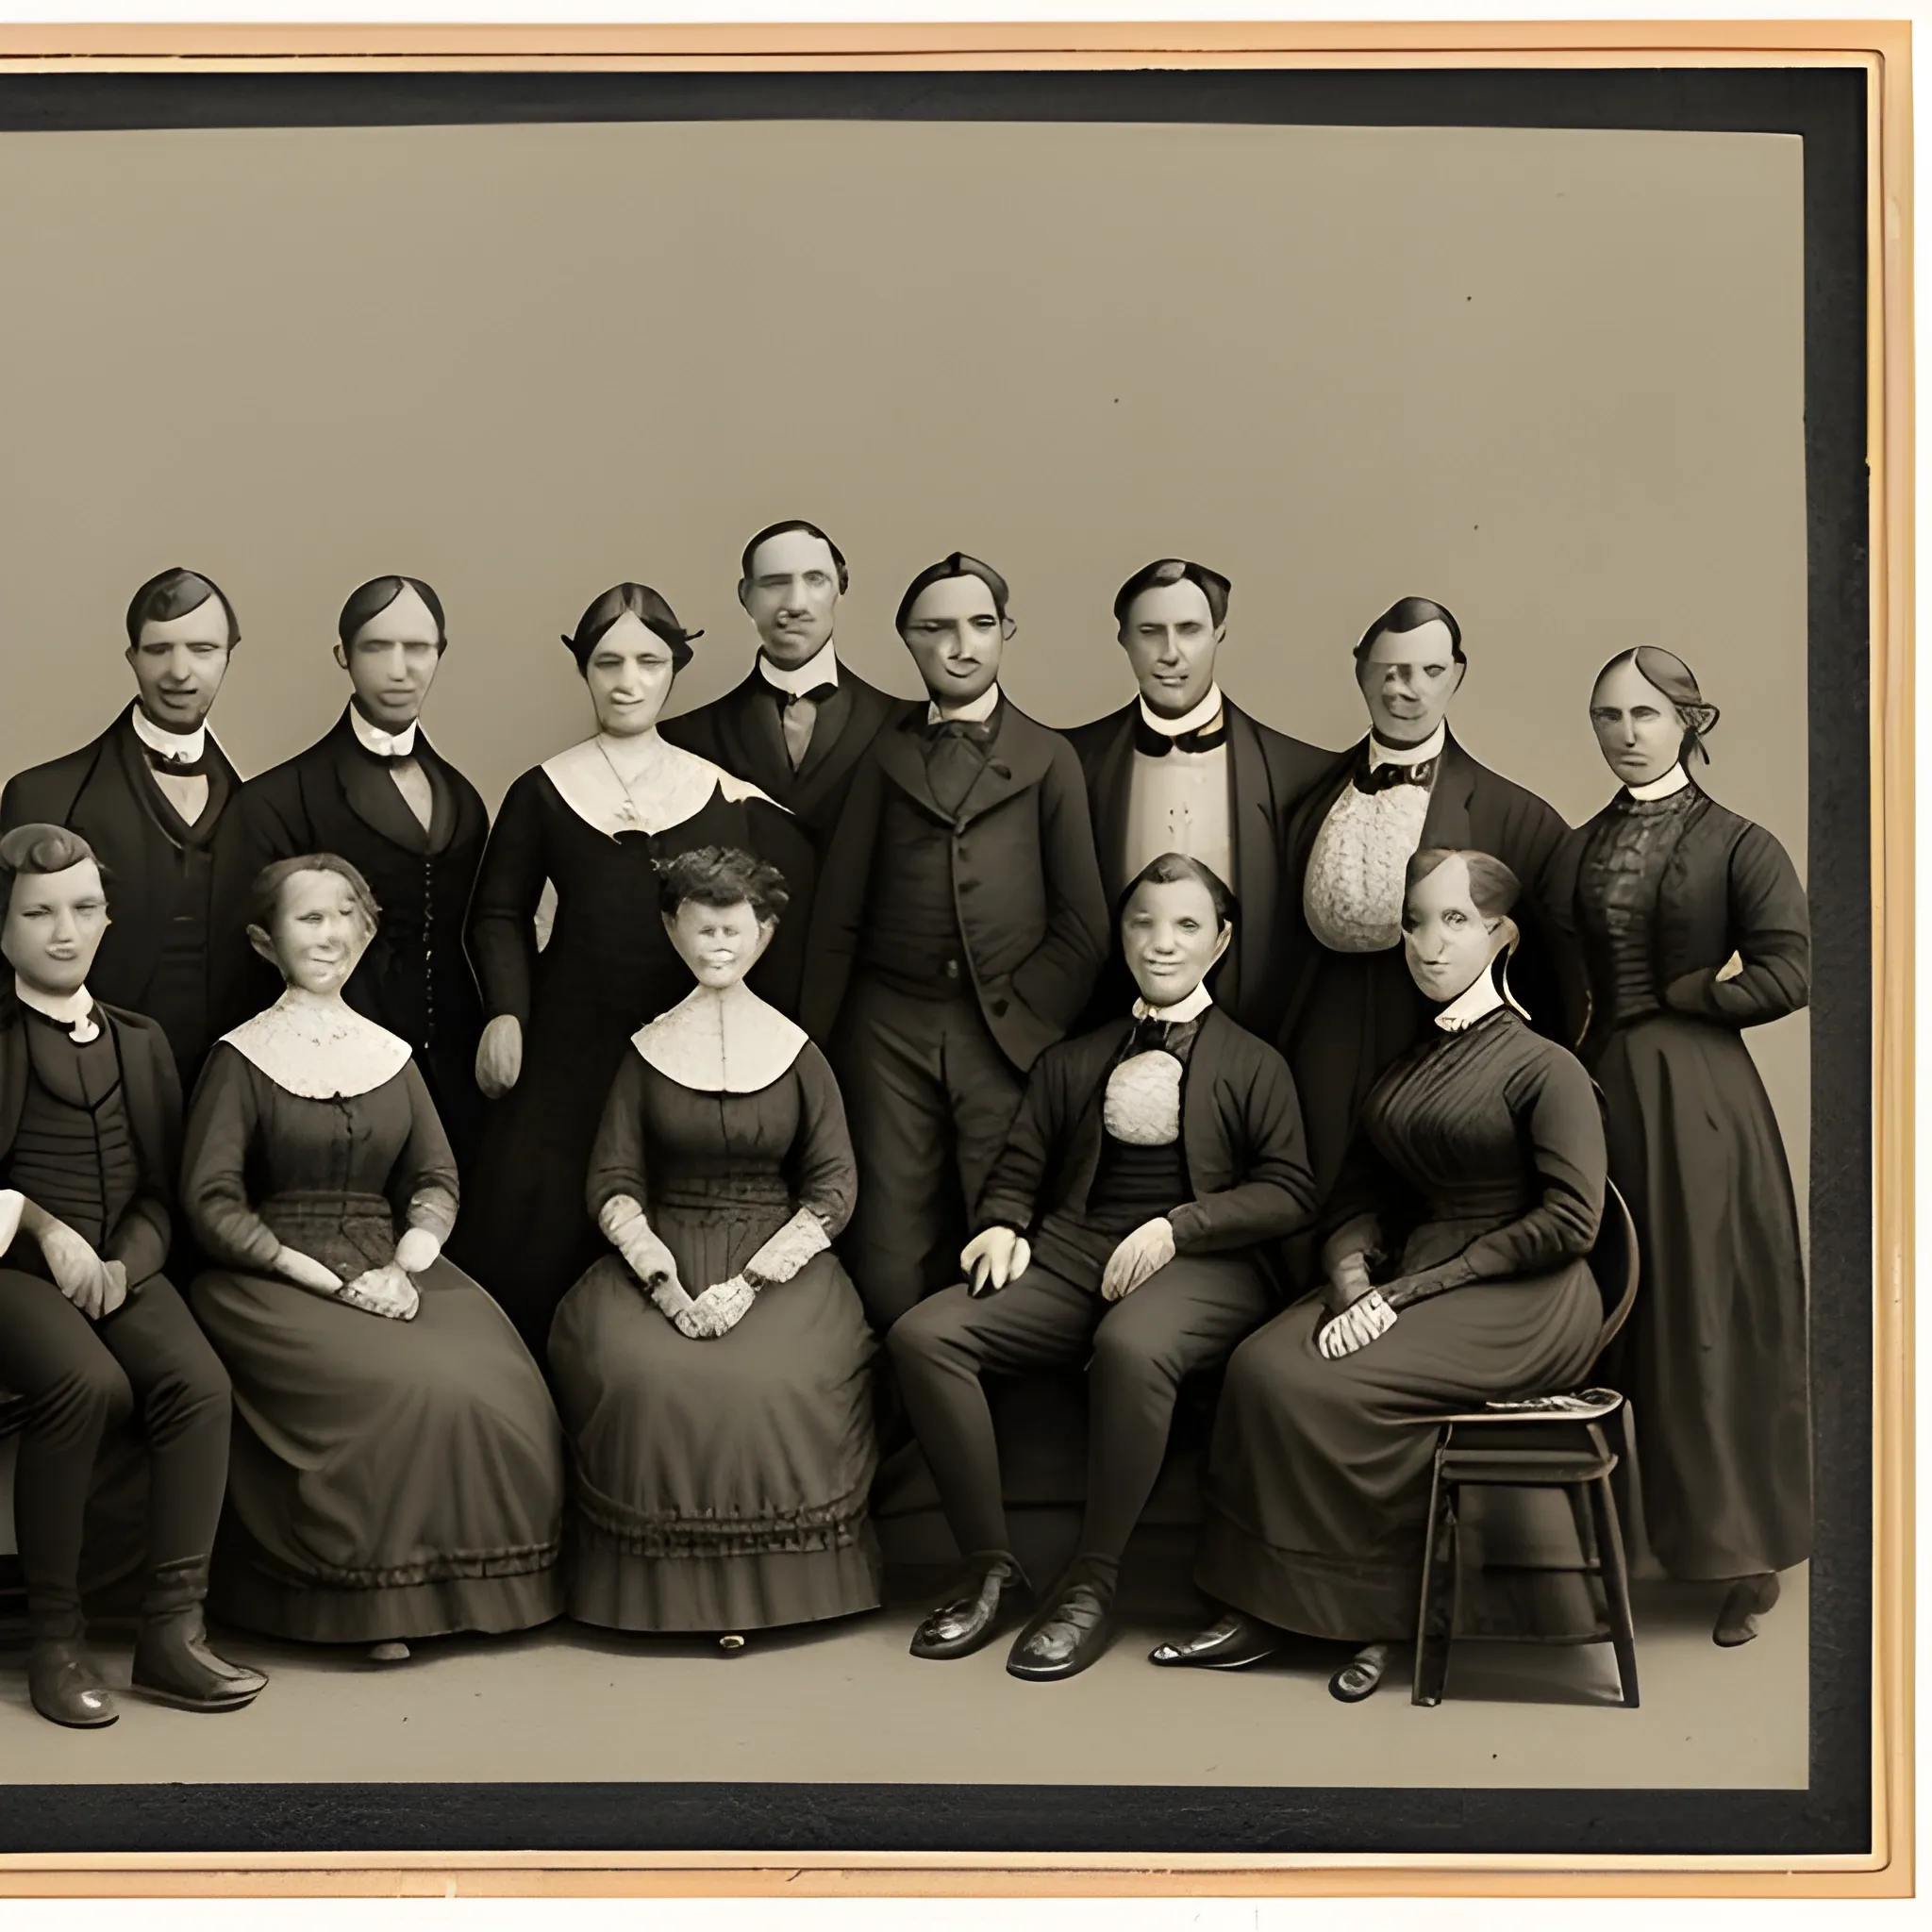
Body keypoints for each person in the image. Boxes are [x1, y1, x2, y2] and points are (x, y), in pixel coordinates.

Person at [1159, 848, 1606, 1702]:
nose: (1428, 944)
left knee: (1325, 1386)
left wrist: (1403, 1295)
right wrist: (1352, 1279)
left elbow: (1570, 1222)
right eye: (1413, 923)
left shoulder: (1544, 1066)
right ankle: (1269, 1607)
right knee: (1258, 1366)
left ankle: (1385, 1616)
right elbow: (1358, 1197)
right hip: (1419, 1273)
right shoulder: (1410, 1059)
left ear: (1501, 935)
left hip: (1527, 1295)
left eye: (1454, 922)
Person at [888, 853, 1315, 1680]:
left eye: (1186, 926)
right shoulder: (1073, 1059)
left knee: (1132, 1347)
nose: (1161, 944)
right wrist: (1006, 1224)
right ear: (1120, 935)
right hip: (1074, 1249)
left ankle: (1092, 1581)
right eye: (1143, 924)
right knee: (925, 1336)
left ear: (1220, 941)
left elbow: (1290, 1191)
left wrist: (1180, 1226)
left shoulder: (1254, 1063)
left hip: (1206, 1264)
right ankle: (989, 1567)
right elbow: (1019, 1165)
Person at [181, 854, 566, 1658]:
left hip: (394, 1264)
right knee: (395, 1388)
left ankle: (480, 1590)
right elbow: (212, 1201)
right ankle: (372, 1604)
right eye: (307, 919)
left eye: (343, 916)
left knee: (495, 1380)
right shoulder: (240, 1058)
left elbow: (433, 1176)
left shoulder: (388, 1053)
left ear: (366, 929)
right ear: (265, 941)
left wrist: (407, 1264)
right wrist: (320, 1277)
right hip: (273, 1275)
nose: (330, 935)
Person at [453, 583, 814, 1354]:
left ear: (674, 670)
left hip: (680, 1043)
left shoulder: (721, 794)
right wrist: (507, 1012)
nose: (628, 680)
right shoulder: (543, 790)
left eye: (649, 661)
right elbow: (497, 912)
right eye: (608, 661)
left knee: (667, 1220)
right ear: (583, 669)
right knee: (537, 1230)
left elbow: (772, 918)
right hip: (566, 1039)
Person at [1544, 647, 1810, 1646]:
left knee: (1706, 1309)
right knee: (1613, 1307)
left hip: (1700, 1101)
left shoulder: (1739, 842)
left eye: (1643, 713)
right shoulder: (1571, 848)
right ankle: (1617, 1541)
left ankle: (1740, 1547)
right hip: (1596, 1092)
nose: (1623, 731)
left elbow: (1788, 968)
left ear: (1686, 721)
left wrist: (1700, 996)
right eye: (1605, 713)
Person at [548, 847, 880, 1642]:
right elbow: (613, 1180)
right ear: (673, 932)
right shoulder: (646, 1053)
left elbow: (834, 1188)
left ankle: (781, 1592)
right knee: (639, 1374)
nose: (718, 947)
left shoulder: (799, 1055)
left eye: (734, 930)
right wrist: (662, 1282)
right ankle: (659, 1596)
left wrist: (752, 1283)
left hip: (779, 1258)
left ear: (764, 933)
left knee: (780, 1378)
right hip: (665, 1249)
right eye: (702, 930)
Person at [803, 553, 1109, 1331]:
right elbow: (838, 911)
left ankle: (996, 1427)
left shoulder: (1051, 758)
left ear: (1007, 633)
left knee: (1003, 1227)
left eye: (979, 626)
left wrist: (1030, 1027)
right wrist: (819, 1039)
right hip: (885, 1030)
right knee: (887, 1239)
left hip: (1005, 1032)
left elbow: (1083, 923)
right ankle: (893, 1432)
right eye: (935, 630)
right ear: (907, 640)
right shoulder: (881, 755)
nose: (959, 646)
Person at [0, 825, 262, 1727]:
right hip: (11, 1270)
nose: (62, 932)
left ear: (108, 920)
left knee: (199, 1383)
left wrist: (123, 1263)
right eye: (37, 913)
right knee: (85, 1383)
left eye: (81, 909)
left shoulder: (140, 1042)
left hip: (117, 1268)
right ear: (3, 928)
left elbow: (160, 1193)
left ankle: (170, 1630)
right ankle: (56, 1639)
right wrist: (44, 1230)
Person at [1275, 597, 1569, 1257]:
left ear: (1457, 675)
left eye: (1428, 671)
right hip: (1319, 1033)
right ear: (1359, 672)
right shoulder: (1302, 798)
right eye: (1388, 669)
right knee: (1307, 1203)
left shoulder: (1518, 817)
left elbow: (1552, 981)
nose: (1404, 689)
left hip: (1437, 1046)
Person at [214, 576, 491, 1174]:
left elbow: (477, 929)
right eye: (377, 647)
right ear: (343, 656)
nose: (400, 669)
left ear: (441, 652)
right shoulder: (276, 801)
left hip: (457, 1076)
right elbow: (245, 971)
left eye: (418, 648)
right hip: (322, 1089)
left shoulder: (465, 799)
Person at [1, 568, 246, 1091]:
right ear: (132, 658)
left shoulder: (265, 808)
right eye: (159, 650)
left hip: (230, 1091)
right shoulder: (44, 797)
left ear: (229, 656)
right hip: (87, 1088)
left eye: (202, 649)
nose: (179, 672)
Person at [1065, 558, 1331, 1036]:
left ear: (1219, 633)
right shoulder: (1069, 762)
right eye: (1151, 632)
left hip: (1257, 1039)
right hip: (1103, 1033)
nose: (1171, 653)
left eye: (1189, 630)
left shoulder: (1304, 773)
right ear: (1124, 639)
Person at [658, 519, 902, 887]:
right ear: (746, 596)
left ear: (841, 584)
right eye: (775, 583)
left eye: (815, 579)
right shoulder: (680, 740)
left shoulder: (906, 725)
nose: (795, 604)